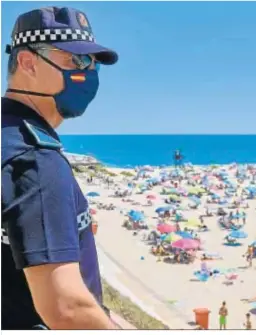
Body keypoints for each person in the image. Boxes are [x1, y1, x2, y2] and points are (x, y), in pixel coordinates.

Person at [1, 6, 132, 330]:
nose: (88, 73)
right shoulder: (34, 157)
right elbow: (66, 308)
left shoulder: (8, 132)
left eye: (93, 63)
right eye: (76, 60)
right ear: (28, 62)